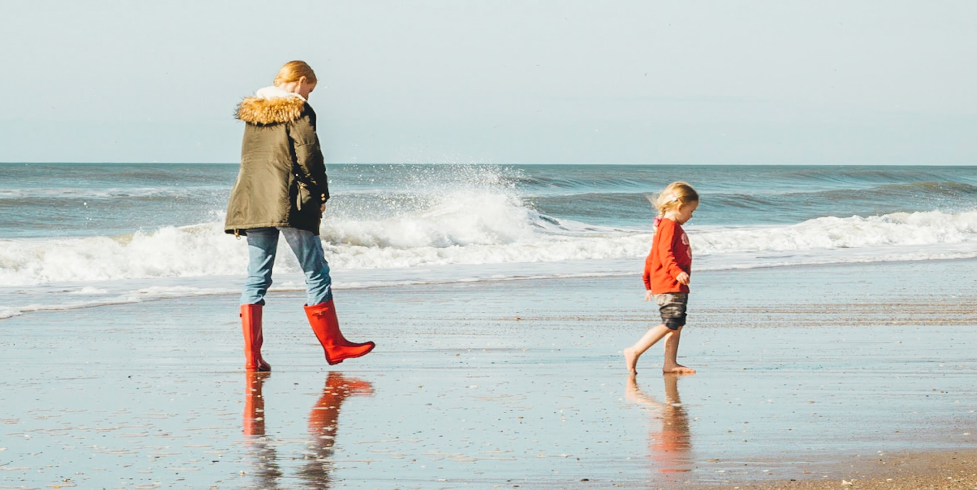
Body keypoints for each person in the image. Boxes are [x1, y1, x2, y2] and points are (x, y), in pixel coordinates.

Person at [225, 60, 374, 371]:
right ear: (302, 80)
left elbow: (252, 159)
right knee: (315, 268)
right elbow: (308, 155)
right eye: (310, 88)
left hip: (252, 199)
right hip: (288, 199)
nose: (310, 95)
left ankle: (252, 359)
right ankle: (334, 346)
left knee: (256, 277)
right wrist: (320, 194)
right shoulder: (298, 108)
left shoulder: (254, 112)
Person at [624, 181, 698, 375]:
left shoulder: (666, 226)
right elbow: (665, 255)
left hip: (671, 284)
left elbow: (652, 257)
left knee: (677, 324)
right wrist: (677, 272)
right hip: (670, 283)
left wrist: (648, 283)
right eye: (691, 211)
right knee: (672, 322)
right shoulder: (669, 226)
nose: (691, 216)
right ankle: (635, 350)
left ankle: (670, 363)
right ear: (680, 207)